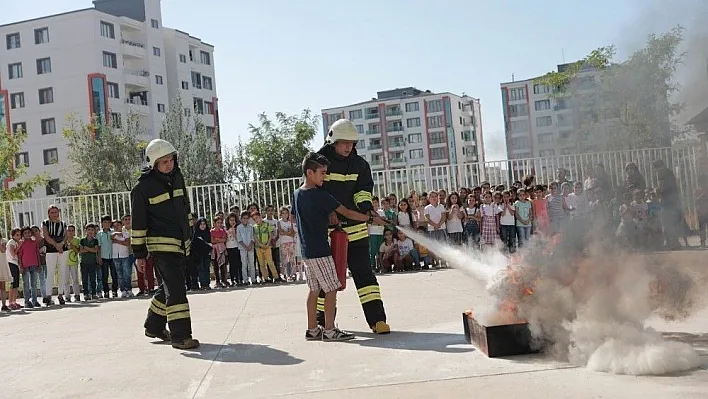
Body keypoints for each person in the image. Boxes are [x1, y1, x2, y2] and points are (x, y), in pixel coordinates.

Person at [292, 152, 387, 341]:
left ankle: (312, 329)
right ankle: (329, 330)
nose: (325, 177)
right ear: (310, 173)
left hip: (307, 251)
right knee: (331, 288)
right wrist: (370, 219)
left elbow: (296, 217)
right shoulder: (320, 195)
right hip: (320, 250)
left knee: (313, 290)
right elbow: (347, 212)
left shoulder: (296, 194)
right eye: (322, 173)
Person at [317, 119, 390, 334]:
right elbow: (316, 191)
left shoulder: (360, 165)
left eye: (351, 143)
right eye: (343, 142)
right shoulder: (319, 162)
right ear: (333, 141)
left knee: (365, 274)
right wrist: (328, 212)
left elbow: (363, 191)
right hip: (329, 232)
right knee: (327, 279)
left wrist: (366, 208)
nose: (348, 147)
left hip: (356, 229)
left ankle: (377, 320)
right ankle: (322, 322)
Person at [131, 138, 199, 350]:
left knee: (170, 285)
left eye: (171, 159)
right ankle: (180, 336)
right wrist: (140, 254)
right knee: (177, 289)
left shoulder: (177, 177)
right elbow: (138, 224)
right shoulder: (142, 189)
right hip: (161, 246)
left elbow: (185, 208)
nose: (169, 164)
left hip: (180, 242)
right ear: (153, 164)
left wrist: (189, 235)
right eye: (164, 162)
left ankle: (154, 325)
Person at [43, 205, 68, 306]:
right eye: (52, 212)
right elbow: (46, 235)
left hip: (62, 249)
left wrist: (61, 244)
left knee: (62, 271)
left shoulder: (63, 223)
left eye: (56, 212)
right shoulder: (46, 223)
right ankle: (49, 295)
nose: (54, 214)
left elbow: (66, 236)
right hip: (51, 249)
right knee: (51, 272)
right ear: (49, 213)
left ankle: (60, 294)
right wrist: (56, 245)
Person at [18, 227, 41, 309]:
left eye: (28, 232)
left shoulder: (34, 243)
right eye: (25, 233)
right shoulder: (21, 244)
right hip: (25, 266)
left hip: (34, 265)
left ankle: (34, 300)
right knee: (26, 284)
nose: (27, 234)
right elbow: (20, 256)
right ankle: (27, 302)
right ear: (22, 235)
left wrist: (39, 264)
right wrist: (20, 266)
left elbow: (37, 254)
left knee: (34, 284)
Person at [79, 223, 101, 301]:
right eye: (89, 230)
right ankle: (86, 293)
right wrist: (90, 249)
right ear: (86, 230)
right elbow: (81, 251)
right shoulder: (82, 240)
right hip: (84, 262)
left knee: (93, 279)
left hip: (92, 262)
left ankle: (94, 293)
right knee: (85, 279)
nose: (90, 231)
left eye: (92, 230)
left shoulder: (95, 240)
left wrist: (86, 248)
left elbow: (95, 250)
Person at [237, 211, 256, 285]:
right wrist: (245, 246)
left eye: (247, 218)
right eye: (244, 218)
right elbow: (239, 239)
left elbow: (252, 237)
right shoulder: (239, 227)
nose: (245, 220)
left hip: (250, 247)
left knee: (252, 264)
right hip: (242, 248)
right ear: (241, 219)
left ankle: (253, 279)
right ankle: (245, 280)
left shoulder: (251, 227)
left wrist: (250, 245)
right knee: (244, 264)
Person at [64, 225, 82, 302]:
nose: (70, 232)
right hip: (65, 262)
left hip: (74, 261)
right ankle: (67, 296)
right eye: (69, 230)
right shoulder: (63, 240)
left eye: (72, 230)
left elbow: (78, 250)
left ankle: (77, 294)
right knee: (66, 280)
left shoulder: (77, 240)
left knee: (75, 279)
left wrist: (72, 245)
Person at [5, 228, 22, 310]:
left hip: (15, 264)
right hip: (11, 264)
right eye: (17, 235)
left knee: (16, 284)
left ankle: (14, 301)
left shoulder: (15, 242)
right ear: (13, 235)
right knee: (12, 284)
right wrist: (19, 246)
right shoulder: (11, 242)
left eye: (19, 235)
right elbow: (12, 254)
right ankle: (10, 302)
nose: (19, 237)